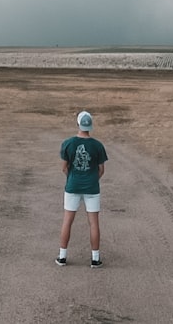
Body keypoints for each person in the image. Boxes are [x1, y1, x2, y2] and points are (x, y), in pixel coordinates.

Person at [56, 110, 108, 268]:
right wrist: (91, 179)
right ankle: (95, 258)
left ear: (78, 124)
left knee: (67, 221)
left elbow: (64, 168)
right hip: (92, 188)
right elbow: (101, 170)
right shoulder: (98, 145)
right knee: (93, 223)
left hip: (72, 186)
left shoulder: (68, 143)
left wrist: (73, 178)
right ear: (90, 125)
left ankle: (62, 256)